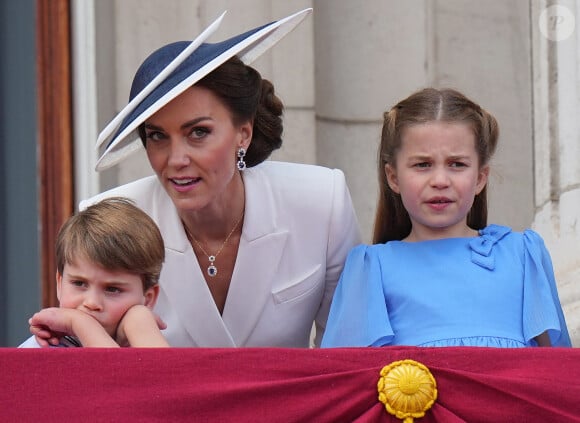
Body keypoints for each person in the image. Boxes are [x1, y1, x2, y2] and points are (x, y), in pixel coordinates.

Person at [79, 8, 361, 347]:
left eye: (198, 132)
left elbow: (351, 351)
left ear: (243, 133)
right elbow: (72, 353)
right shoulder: (111, 219)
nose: (176, 159)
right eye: (157, 136)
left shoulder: (320, 201)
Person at [321, 88, 571, 348]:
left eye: (457, 164)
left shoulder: (523, 254)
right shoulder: (371, 268)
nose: (440, 181)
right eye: (422, 164)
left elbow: (557, 373)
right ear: (393, 177)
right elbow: (346, 376)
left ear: (480, 178)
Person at [20, 197, 168, 348]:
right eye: (79, 283)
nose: (92, 303)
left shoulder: (142, 338)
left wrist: (141, 325)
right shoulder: (43, 349)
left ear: (148, 299)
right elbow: (114, 371)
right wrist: (80, 324)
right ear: (59, 284)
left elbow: (164, 372)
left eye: (112, 289)